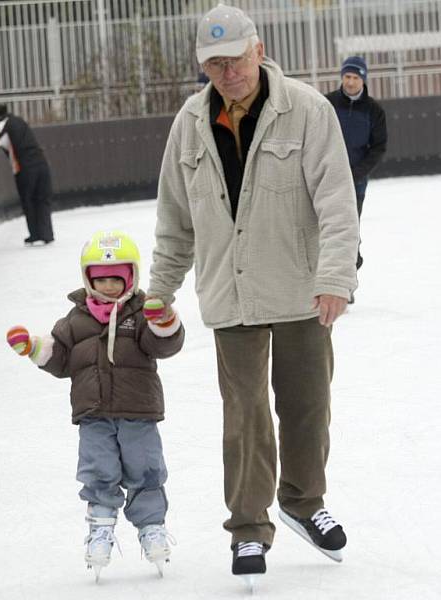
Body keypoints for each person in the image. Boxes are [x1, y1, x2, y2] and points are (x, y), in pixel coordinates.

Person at [147, 3, 359, 582]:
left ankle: (304, 502)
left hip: (299, 287)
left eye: (235, 60)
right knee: (245, 415)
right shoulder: (190, 123)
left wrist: (336, 279)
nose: (227, 73)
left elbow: (339, 205)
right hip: (231, 292)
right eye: (214, 64)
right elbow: (174, 219)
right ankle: (247, 528)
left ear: (258, 50)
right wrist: (158, 292)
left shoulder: (308, 112)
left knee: (307, 406)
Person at [5, 230, 184, 580]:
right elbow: (59, 359)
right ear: (88, 280)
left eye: (117, 279)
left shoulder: (141, 312)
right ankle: (100, 530)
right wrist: (33, 348)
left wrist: (164, 322)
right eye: (101, 281)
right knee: (99, 472)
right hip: (94, 416)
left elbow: (163, 345)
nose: (110, 287)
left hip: (138, 412)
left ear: (131, 277)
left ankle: (151, 529)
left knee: (145, 470)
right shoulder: (75, 321)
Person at [325, 56, 388, 285]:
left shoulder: (374, 110)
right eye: (347, 77)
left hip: (355, 183)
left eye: (355, 77)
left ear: (363, 79)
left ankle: (347, 279)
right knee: (325, 232)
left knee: (349, 232)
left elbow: (378, 147)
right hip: (326, 180)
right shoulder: (327, 103)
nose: (350, 82)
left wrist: (356, 174)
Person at [0, 104, 55, 246]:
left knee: (29, 201)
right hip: (42, 163)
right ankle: (47, 234)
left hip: (25, 168)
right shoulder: (19, 121)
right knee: (43, 200)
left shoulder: (4, 126)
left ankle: (35, 234)